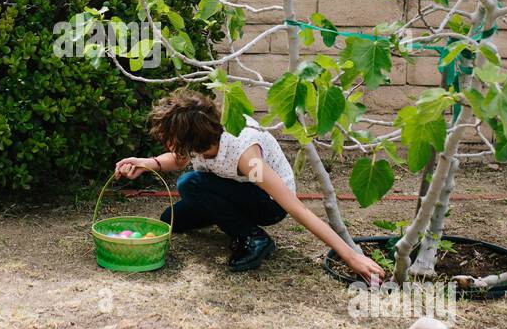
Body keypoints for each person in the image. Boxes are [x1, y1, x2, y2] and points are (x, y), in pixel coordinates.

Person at [115, 89, 383, 282]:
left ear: (190, 139)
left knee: (190, 183)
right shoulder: (203, 134)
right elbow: (178, 158)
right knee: (170, 219)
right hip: (230, 188)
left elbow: (294, 207)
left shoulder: (246, 155)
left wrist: (349, 255)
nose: (166, 143)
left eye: (170, 138)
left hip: (267, 203)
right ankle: (224, 213)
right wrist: (148, 162)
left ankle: (253, 238)